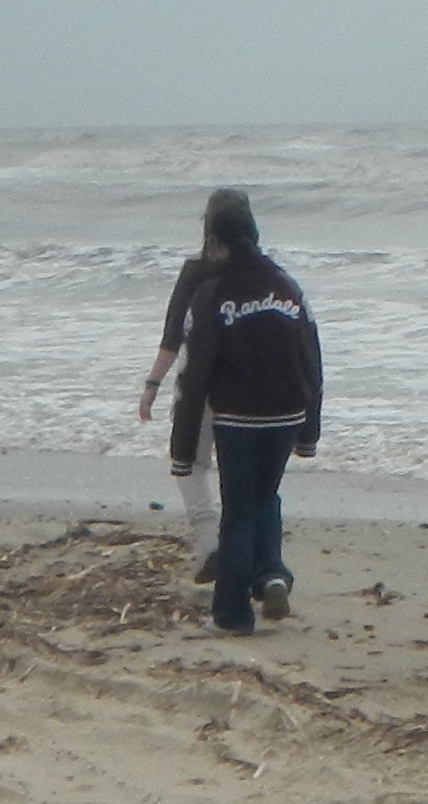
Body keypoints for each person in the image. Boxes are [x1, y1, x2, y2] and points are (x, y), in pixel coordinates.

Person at [177, 195, 321, 636]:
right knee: (266, 497)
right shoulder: (288, 286)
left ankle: (232, 614)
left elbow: (195, 372)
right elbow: (311, 357)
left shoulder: (212, 294)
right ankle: (272, 575)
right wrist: (309, 429)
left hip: (239, 418)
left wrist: (183, 448)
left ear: (216, 240)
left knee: (238, 511)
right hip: (287, 412)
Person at [135, 188, 255, 575]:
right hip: (248, 387)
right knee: (243, 474)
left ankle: (208, 547)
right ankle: (247, 556)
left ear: (208, 227)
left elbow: (173, 337)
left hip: (199, 385)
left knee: (189, 466)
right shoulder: (259, 272)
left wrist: (152, 384)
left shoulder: (194, 272)